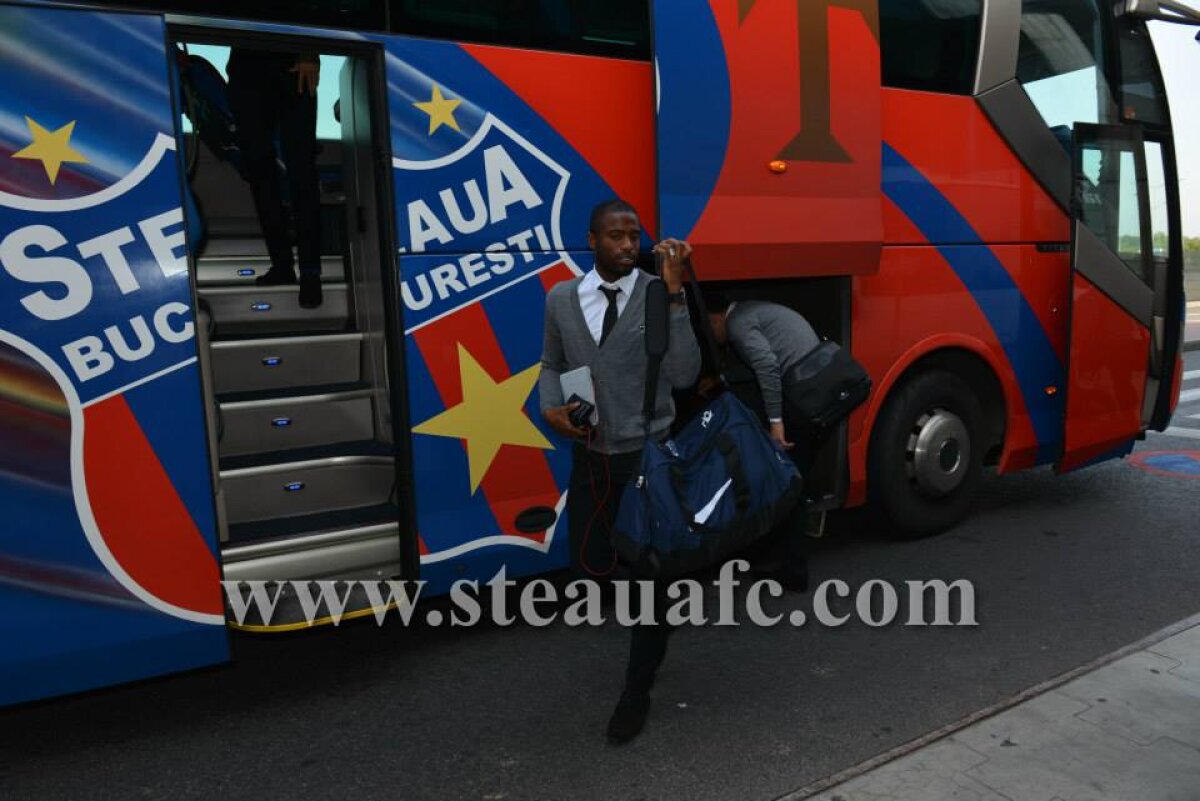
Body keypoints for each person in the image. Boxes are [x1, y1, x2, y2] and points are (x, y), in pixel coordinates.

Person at [539, 198, 700, 744]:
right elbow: (552, 363)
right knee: (591, 563)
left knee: (650, 579)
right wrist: (549, 407)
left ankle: (637, 690)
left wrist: (676, 294)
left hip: (645, 457)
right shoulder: (562, 298)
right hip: (591, 456)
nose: (629, 245)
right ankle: (659, 607)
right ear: (592, 241)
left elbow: (683, 374)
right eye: (616, 236)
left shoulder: (658, 295)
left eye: (634, 236)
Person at [703, 294, 825, 583]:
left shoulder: (738, 325)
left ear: (715, 319)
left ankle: (793, 569)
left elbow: (767, 367)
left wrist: (775, 423)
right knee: (794, 481)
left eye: (709, 330)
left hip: (800, 403)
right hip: (813, 394)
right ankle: (785, 560)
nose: (714, 338)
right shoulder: (752, 312)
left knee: (788, 486)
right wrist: (720, 381)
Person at [226, 47, 324, 308]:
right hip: (246, 67)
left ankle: (311, 272)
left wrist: (308, 51)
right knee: (260, 173)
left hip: (291, 61)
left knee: (301, 171)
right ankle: (282, 265)